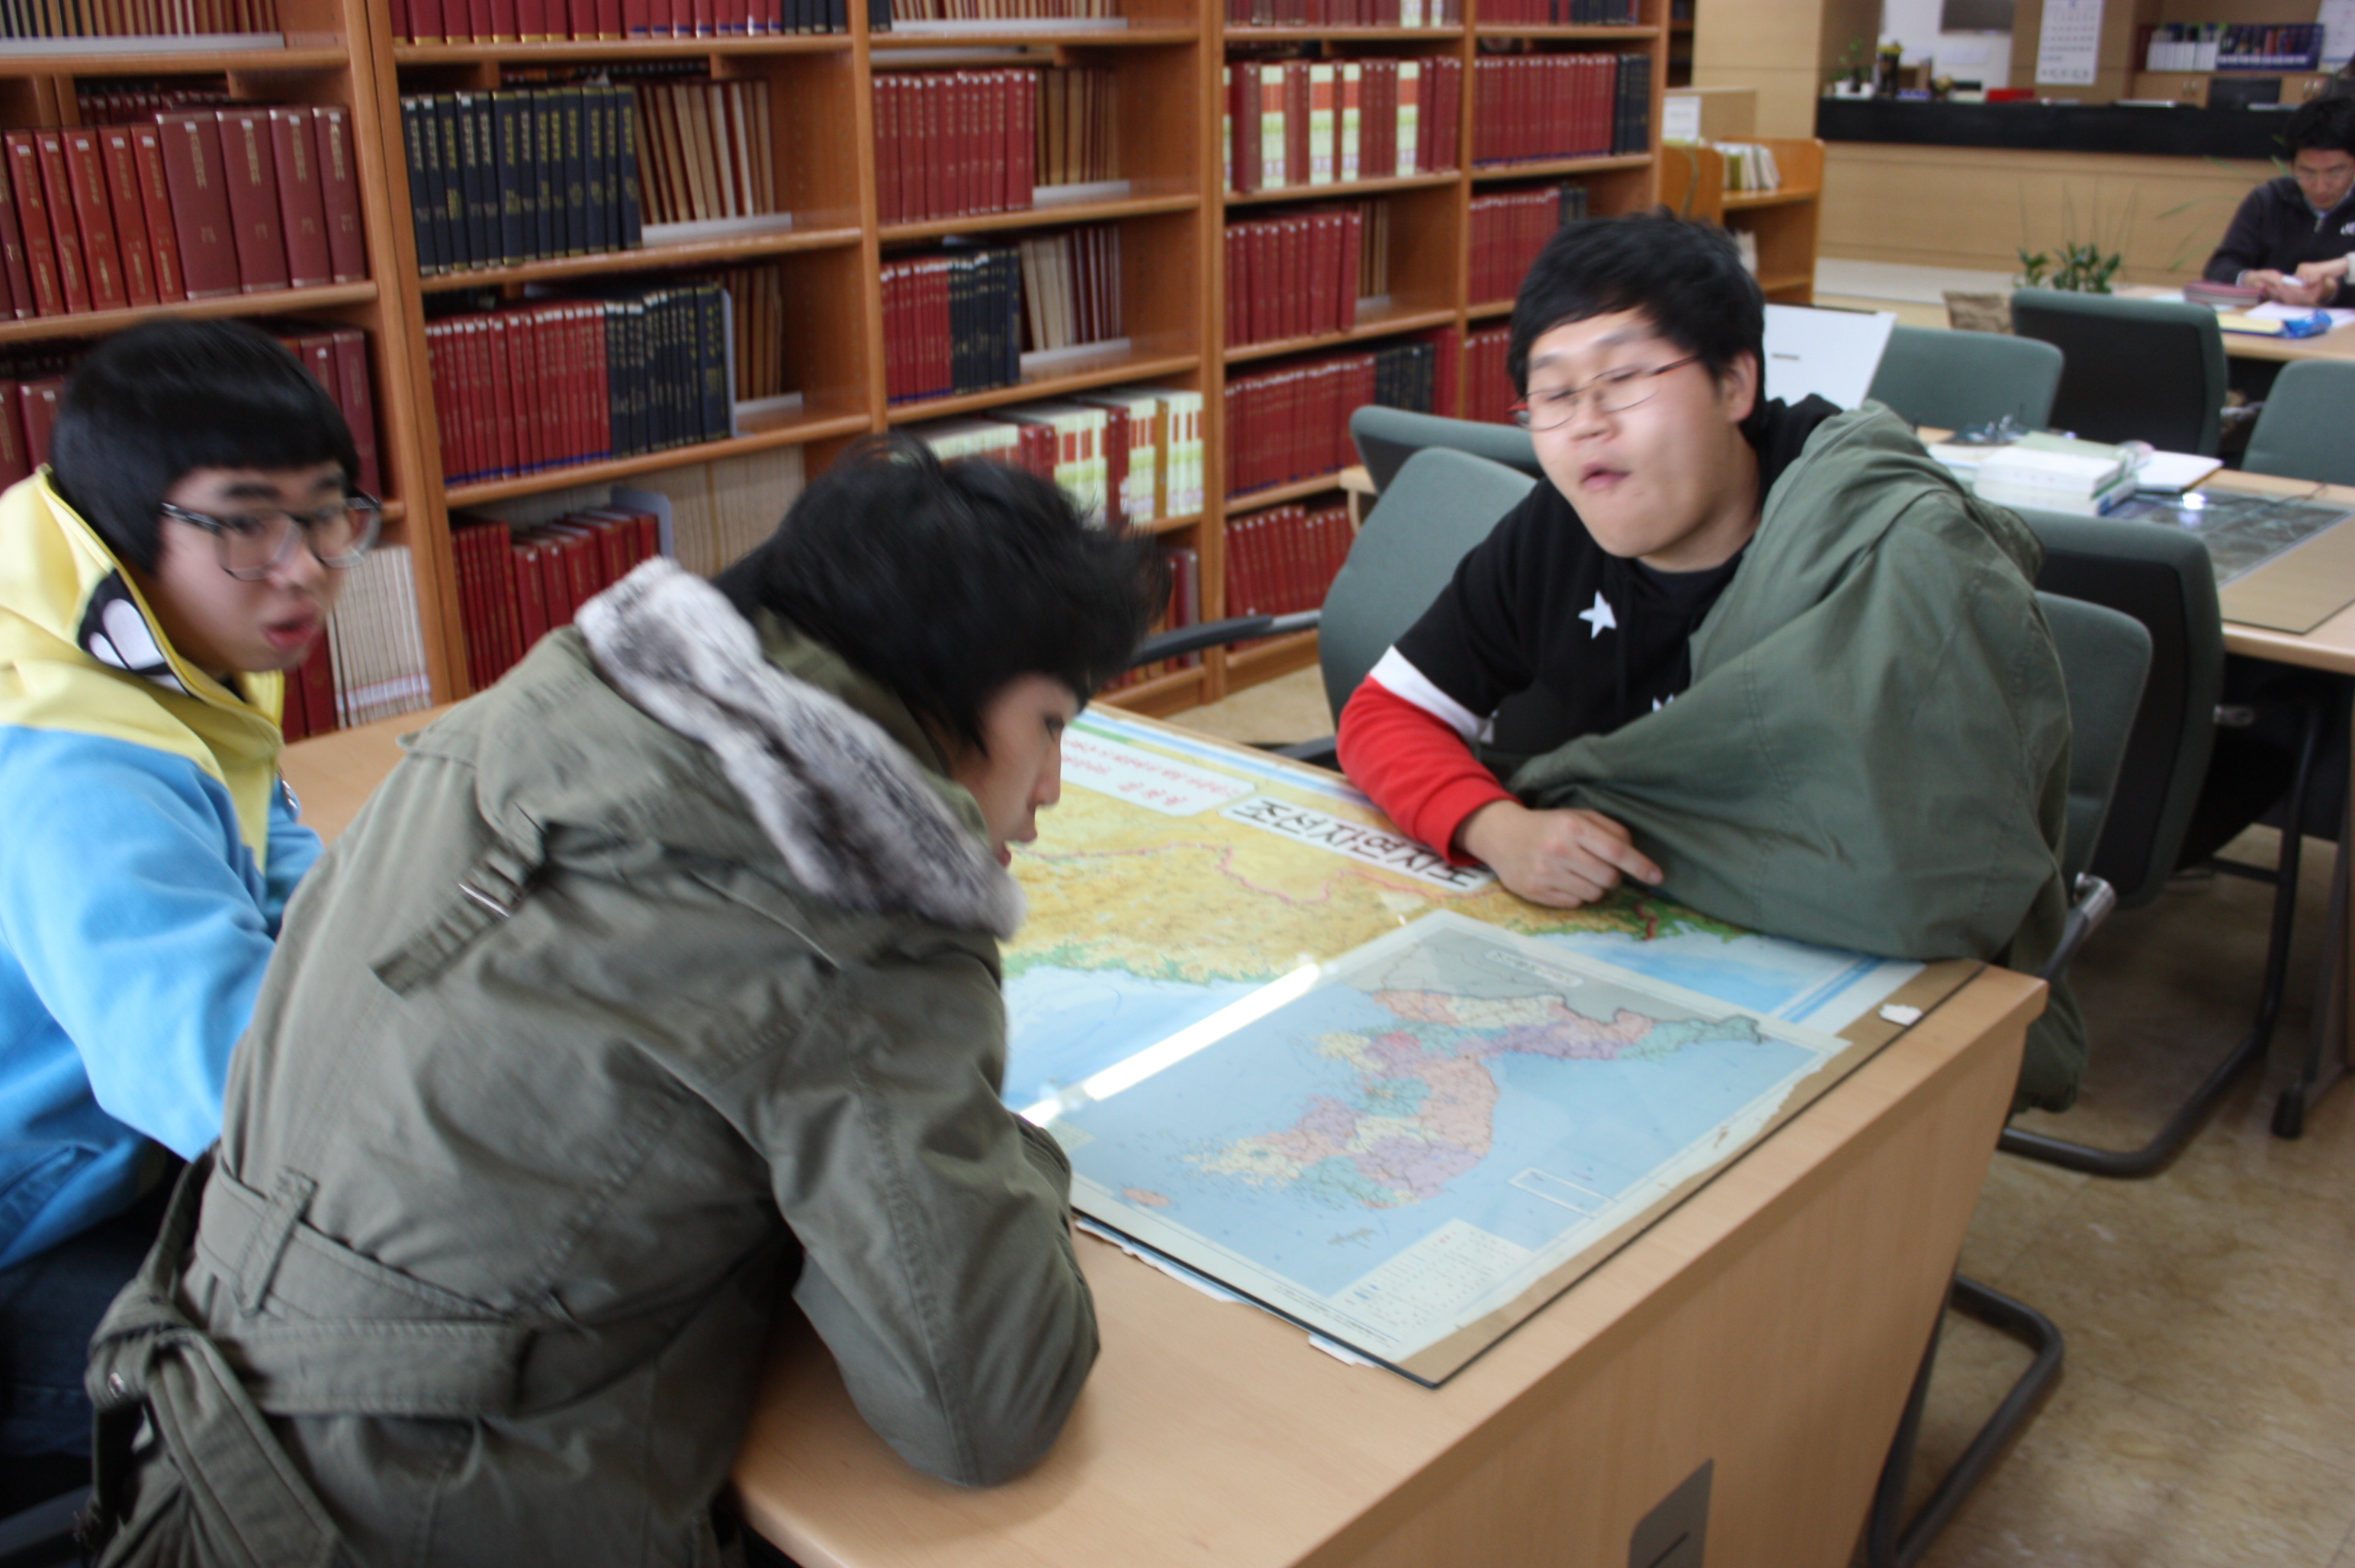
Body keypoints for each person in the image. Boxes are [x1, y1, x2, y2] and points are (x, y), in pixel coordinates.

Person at [81, 437, 1160, 1566]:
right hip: (418, 1517)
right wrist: (1016, 1153)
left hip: (186, 1444)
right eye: (1050, 724)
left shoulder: (520, 719)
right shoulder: (857, 916)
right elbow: (988, 1408)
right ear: (941, 688)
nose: (1048, 790)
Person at [1335, 212, 2084, 1109]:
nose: (1585, 425)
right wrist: (1495, 827)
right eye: (1553, 395)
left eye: (1622, 379)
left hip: (1839, 993)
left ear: (1734, 382)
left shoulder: (1888, 551)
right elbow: (1386, 712)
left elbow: (1929, 879)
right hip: (1625, 980)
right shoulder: (1557, 527)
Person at [0, 320, 368, 1483]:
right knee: (387, 1377)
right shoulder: (75, 765)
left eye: (327, 513)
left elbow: (284, 869)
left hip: (108, 1153)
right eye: (246, 522)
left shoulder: (134, 637)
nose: (303, 565)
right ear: (129, 523)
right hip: (31, 1232)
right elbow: (223, 1090)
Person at [2202, 93, 2355, 307]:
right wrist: (2249, 279)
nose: (2320, 187)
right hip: (2267, 322)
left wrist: (2331, 291)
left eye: (2335, 173)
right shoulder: (2269, 199)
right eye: (2307, 173)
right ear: (2291, 164)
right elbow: (2220, 268)